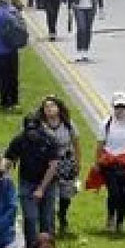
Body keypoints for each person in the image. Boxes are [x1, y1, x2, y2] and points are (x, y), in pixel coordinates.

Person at [5, 114, 62, 248]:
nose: (32, 134)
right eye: (29, 130)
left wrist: (41, 189)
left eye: (34, 130)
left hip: (48, 183)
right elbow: (8, 159)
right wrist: (2, 175)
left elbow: (53, 166)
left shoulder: (50, 141)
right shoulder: (20, 140)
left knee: (47, 220)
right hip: (27, 182)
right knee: (30, 218)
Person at [37, 96, 81, 235]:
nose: (49, 109)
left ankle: (62, 217)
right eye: (46, 107)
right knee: (49, 193)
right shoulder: (40, 125)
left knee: (65, 195)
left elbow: (76, 144)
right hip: (47, 164)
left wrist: (78, 163)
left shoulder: (68, 124)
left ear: (58, 108)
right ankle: (49, 224)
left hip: (66, 163)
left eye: (52, 106)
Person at [97, 92, 125, 233]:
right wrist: (97, 163)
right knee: (113, 193)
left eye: (122, 107)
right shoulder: (106, 124)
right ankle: (110, 217)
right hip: (110, 164)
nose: (120, 110)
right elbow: (100, 144)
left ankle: (120, 222)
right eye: (117, 107)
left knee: (123, 196)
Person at [0, 0, 25, 108]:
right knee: (13, 75)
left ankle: (5, 101)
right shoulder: (14, 11)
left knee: (1, 77)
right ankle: (14, 100)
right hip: (12, 49)